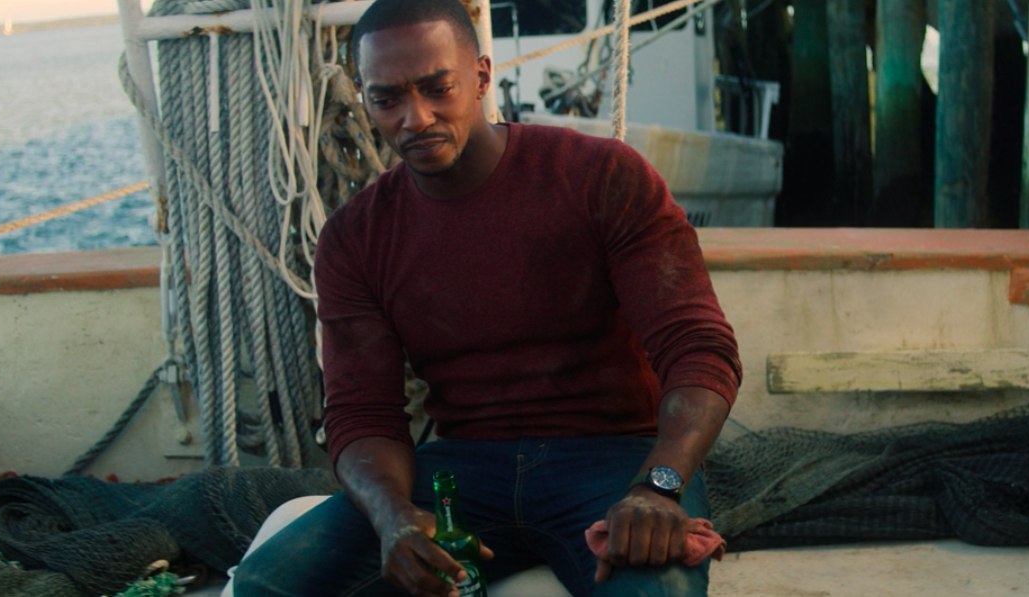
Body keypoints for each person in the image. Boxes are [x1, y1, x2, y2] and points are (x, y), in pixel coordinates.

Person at [229, 1, 742, 596]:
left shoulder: (601, 177)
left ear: (480, 76)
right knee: (267, 584)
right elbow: (362, 413)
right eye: (386, 98)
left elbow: (700, 350)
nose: (415, 118)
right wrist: (393, 515)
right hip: (461, 473)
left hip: (615, 461)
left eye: (436, 88)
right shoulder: (354, 238)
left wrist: (659, 483)